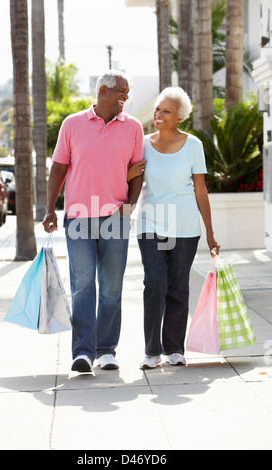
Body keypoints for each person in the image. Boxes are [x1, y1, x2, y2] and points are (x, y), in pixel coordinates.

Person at [42, 70, 144, 373]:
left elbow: (137, 171)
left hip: (116, 217)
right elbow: (59, 168)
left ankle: (107, 350)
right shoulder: (72, 124)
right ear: (103, 91)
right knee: (83, 286)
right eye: (121, 91)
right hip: (78, 218)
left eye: (128, 92)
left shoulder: (133, 128)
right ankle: (83, 352)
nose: (126, 97)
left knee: (111, 288)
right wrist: (50, 209)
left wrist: (128, 209)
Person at [129, 87, 220, 370]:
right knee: (155, 283)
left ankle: (174, 348)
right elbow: (129, 182)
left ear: (179, 117)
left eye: (166, 111)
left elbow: (201, 191)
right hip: (150, 223)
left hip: (185, 225)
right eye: (158, 109)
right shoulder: (142, 144)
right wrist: (126, 174)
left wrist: (210, 231)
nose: (158, 114)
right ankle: (151, 350)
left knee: (178, 287)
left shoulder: (193, 145)